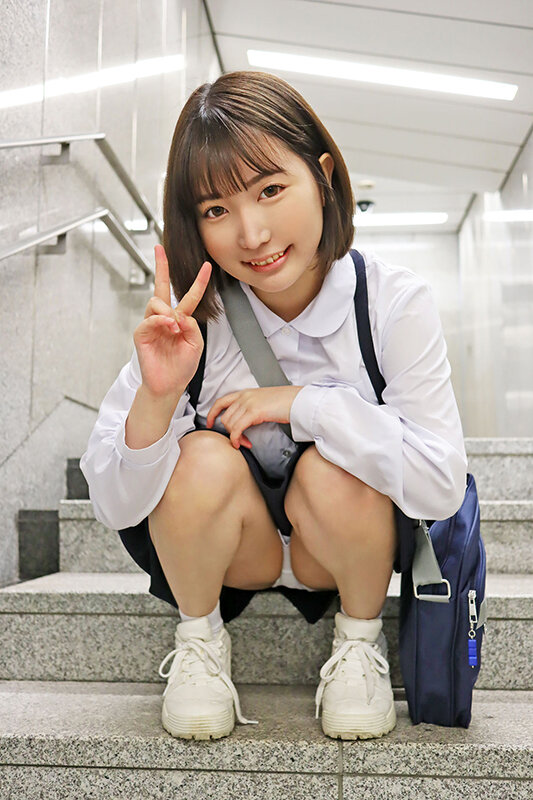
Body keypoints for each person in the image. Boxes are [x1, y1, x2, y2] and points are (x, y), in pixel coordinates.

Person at [80, 70, 467, 743]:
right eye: (216, 209)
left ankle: (359, 643)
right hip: (235, 553)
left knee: (340, 462)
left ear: (322, 176)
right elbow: (114, 506)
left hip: (340, 552)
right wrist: (159, 395)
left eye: (269, 190)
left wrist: (306, 405)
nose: (252, 233)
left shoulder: (391, 302)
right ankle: (200, 643)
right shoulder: (190, 320)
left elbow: (440, 484)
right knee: (196, 458)